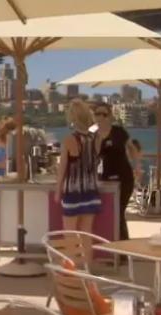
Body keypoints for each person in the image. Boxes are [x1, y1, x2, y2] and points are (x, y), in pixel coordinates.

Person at [92, 102, 141, 240]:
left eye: (104, 114)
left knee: (118, 212)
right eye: (98, 114)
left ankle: (122, 250)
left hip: (124, 176)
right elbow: (94, 154)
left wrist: (137, 166)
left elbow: (132, 148)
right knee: (110, 213)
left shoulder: (119, 131)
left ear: (110, 116)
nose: (101, 117)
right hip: (106, 177)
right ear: (94, 116)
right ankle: (115, 247)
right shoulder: (93, 133)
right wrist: (99, 137)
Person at [55, 99, 101, 232]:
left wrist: (58, 191)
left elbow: (62, 170)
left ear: (73, 118)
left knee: (70, 235)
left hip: (73, 193)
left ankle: (70, 254)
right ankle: (86, 255)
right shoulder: (96, 139)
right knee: (87, 235)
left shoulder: (69, 140)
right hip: (91, 191)